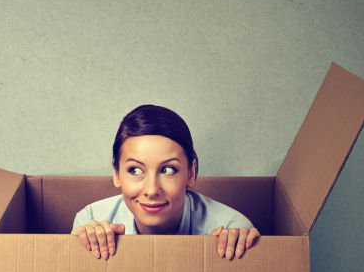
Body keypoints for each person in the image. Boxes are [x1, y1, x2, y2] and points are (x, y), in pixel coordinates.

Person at [72, 104, 260, 261]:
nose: (152, 190)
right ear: (116, 173)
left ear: (191, 173)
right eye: (135, 170)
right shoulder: (90, 219)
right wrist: (80, 248)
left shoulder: (231, 227)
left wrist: (240, 250)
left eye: (168, 170)